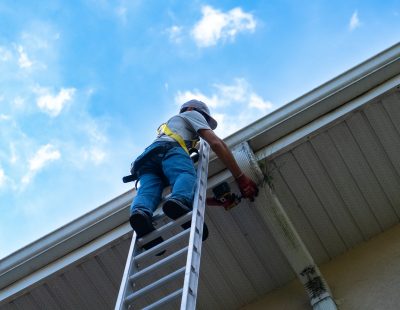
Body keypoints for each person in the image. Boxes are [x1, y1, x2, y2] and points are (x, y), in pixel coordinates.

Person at [128, 99, 259, 250]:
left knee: (149, 190)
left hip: (146, 162)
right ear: (190, 108)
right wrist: (241, 178)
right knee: (185, 174)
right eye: (205, 119)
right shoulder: (192, 113)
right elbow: (216, 143)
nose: (205, 124)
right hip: (169, 149)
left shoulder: (171, 126)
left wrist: (211, 201)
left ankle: (140, 214)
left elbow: (178, 188)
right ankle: (181, 201)